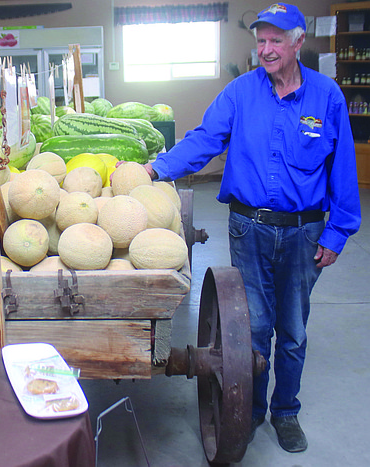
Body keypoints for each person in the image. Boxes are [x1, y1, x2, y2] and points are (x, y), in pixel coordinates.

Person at [143, 3, 362, 453]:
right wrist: (155, 169)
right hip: (249, 228)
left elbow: (342, 169)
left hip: (304, 232)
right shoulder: (240, 93)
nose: (265, 49)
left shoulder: (327, 97)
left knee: (294, 330)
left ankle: (286, 412)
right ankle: (253, 408)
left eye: (275, 40)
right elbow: (204, 139)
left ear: (298, 42)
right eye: (260, 41)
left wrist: (338, 231)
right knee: (255, 327)